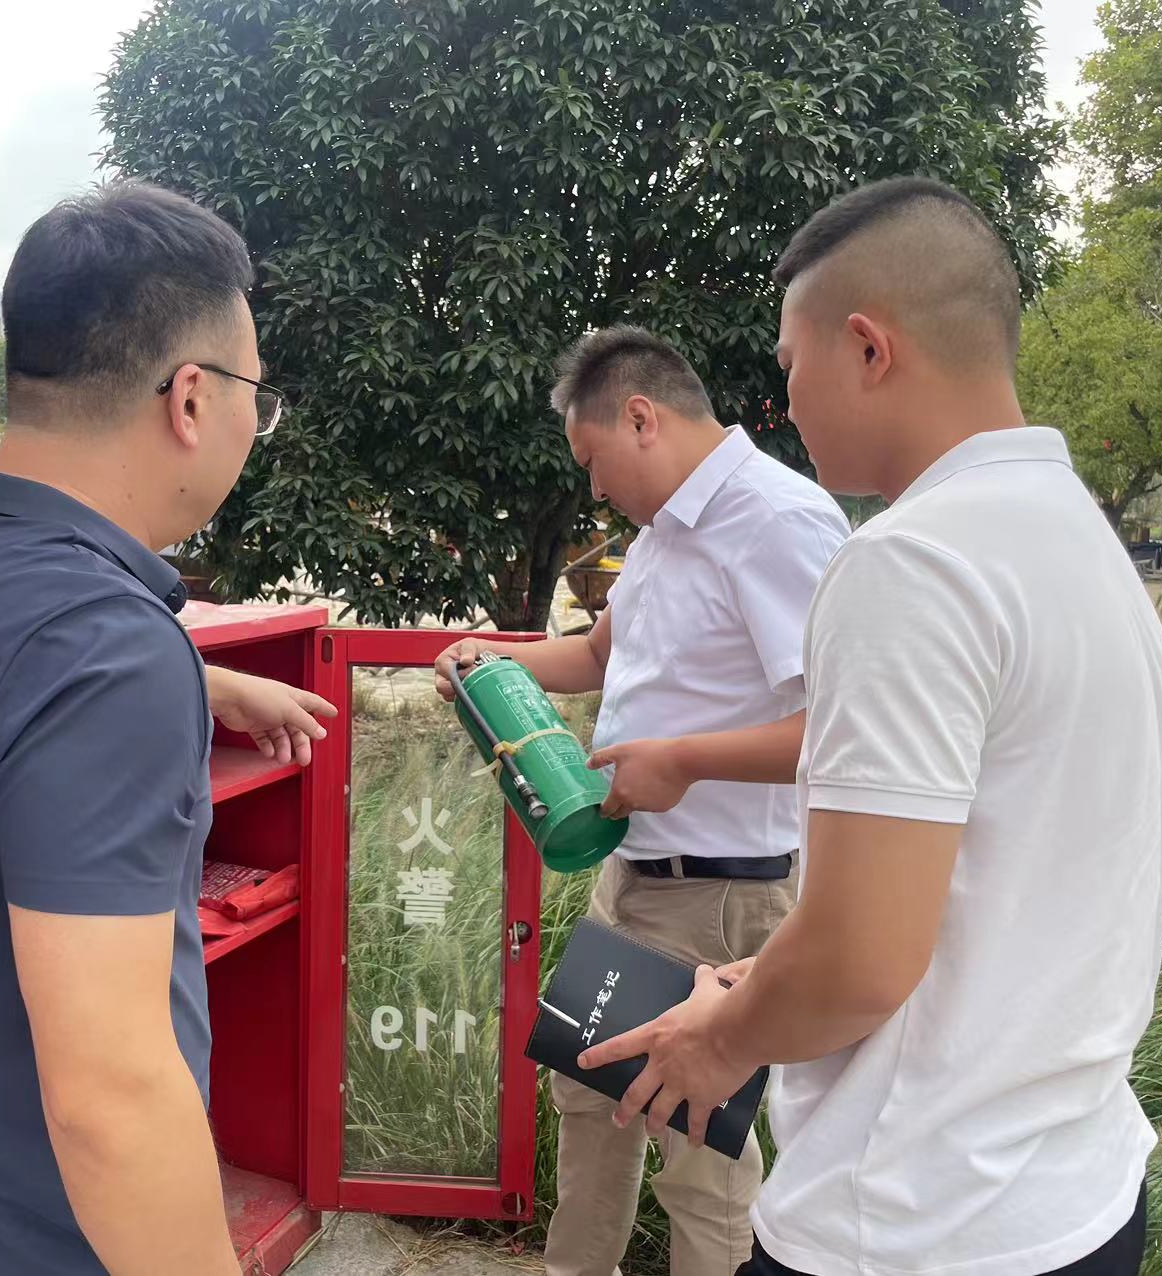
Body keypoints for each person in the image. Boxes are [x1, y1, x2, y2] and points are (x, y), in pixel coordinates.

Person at [581, 178, 1162, 1276]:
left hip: (913, 1217)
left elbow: (860, 961)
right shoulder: (1078, 538)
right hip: (1073, 1189)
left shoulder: (910, 561)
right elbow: (999, 878)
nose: (785, 402)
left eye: (790, 363)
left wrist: (721, 1037)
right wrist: (759, 978)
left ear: (867, 347)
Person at [0, 183, 335, 1276]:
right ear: (190, 398)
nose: (254, 425)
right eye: (257, 395)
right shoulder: (103, 655)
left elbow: (0, 705)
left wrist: (199, 682)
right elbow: (112, 1099)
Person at [437, 326, 849, 1276]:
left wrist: (686, 764)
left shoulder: (778, 521)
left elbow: (842, 728)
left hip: (723, 895)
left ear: (640, 417)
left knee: (699, 1149)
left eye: (592, 461)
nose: (591, 488)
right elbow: (595, 656)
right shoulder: (663, 532)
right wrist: (487, 661)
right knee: (591, 1096)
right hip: (629, 877)